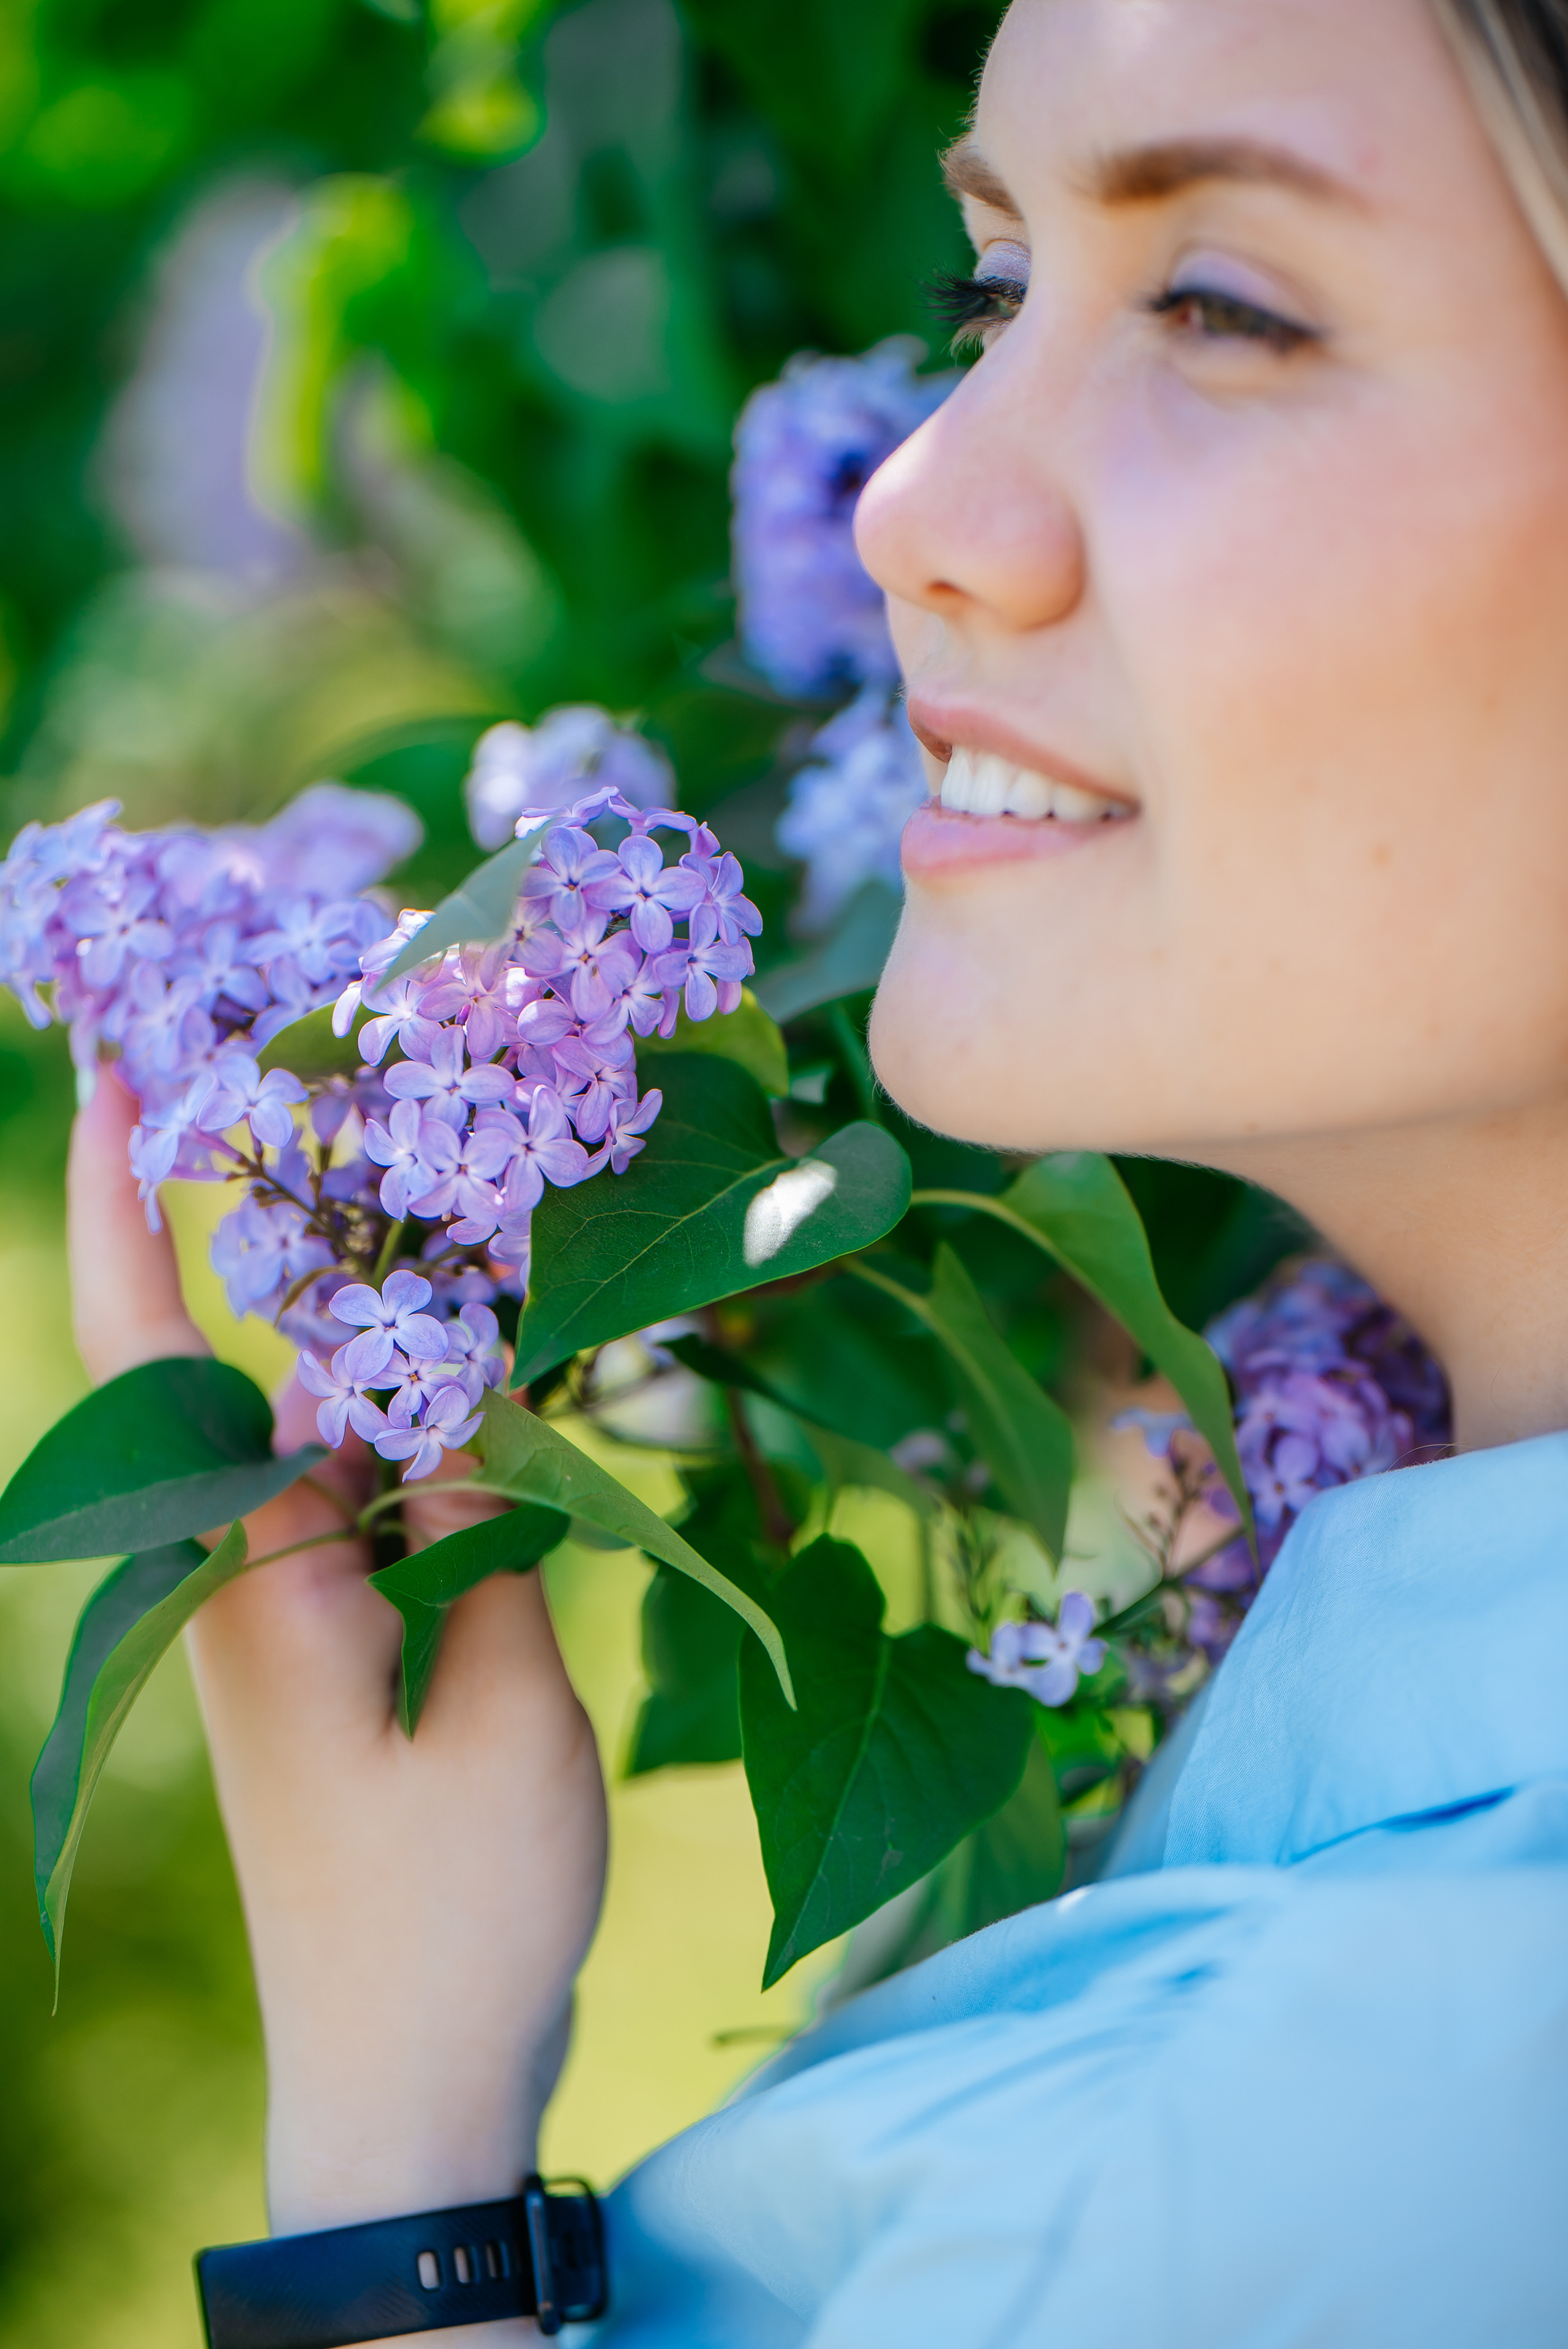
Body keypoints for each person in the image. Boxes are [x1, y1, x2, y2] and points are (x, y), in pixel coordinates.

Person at [66, 1, 1568, 2339]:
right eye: (994, 293)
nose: (909, 500)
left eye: (1222, 305)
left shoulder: (1331, 2154)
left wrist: (394, 2174)